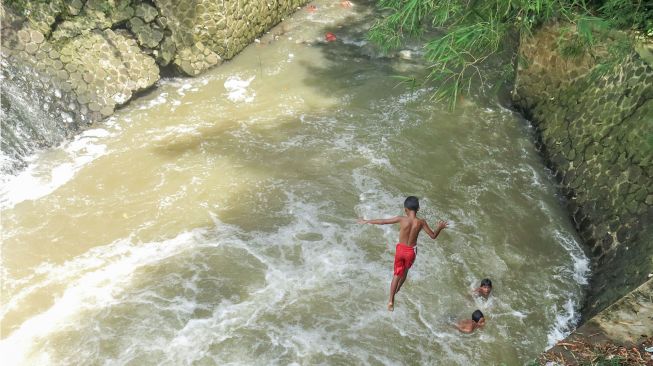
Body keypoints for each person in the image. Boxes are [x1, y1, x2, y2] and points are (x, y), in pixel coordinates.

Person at [358, 196, 448, 311]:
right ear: (418, 208)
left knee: (396, 274)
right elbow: (433, 236)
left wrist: (367, 221)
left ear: (405, 209)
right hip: (411, 252)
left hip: (400, 250)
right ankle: (398, 289)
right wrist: (440, 227)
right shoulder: (421, 222)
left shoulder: (402, 219)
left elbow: (383, 222)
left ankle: (391, 300)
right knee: (405, 270)